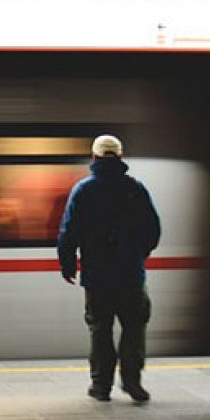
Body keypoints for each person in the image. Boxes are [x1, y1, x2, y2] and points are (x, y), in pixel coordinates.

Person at [57, 134, 162, 403]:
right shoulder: (135, 189)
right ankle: (132, 382)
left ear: (94, 157)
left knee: (100, 329)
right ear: (120, 156)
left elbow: (68, 232)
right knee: (134, 327)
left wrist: (68, 264)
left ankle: (101, 385)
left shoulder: (83, 190)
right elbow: (153, 229)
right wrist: (138, 254)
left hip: (97, 275)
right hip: (131, 274)